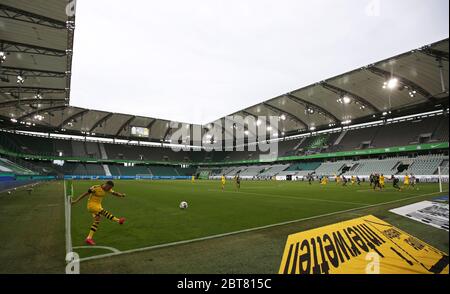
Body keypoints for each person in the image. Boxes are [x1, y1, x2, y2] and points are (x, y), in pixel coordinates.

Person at [71, 181, 126, 246]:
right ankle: (118, 220)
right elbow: (85, 194)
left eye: (110, 188)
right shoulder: (95, 188)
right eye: (109, 187)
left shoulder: (107, 189)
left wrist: (121, 195)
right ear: (106, 185)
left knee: (97, 221)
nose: (109, 189)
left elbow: (115, 193)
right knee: (104, 212)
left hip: (98, 205)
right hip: (91, 205)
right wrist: (76, 201)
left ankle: (89, 238)